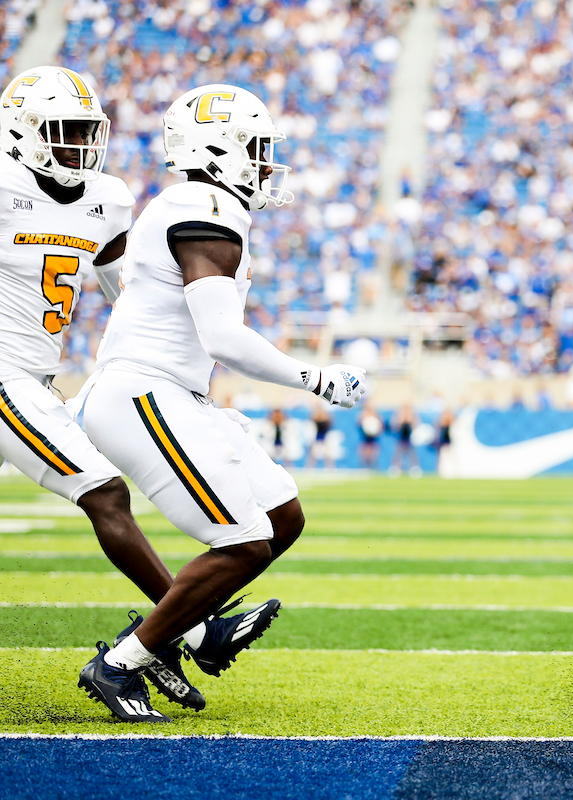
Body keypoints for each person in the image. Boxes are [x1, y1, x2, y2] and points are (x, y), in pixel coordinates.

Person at [75, 84, 368, 722]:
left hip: (170, 391)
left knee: (280, 517)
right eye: (257, 150)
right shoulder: (205, 206)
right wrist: (313, 379)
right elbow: (223, 337)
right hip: (142, 393)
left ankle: (183, 627)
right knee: (244, 542)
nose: (266, 164)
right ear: (219, 150)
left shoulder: (196, 204)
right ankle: (125, 660)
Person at [0, 66, 207, 710]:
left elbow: (128, 297)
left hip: (36, 377)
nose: (78, 147)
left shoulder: (108, 199)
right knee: (106, 490)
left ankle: (170, 634)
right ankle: (189, 628)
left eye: (87, 132)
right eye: (63, 133)